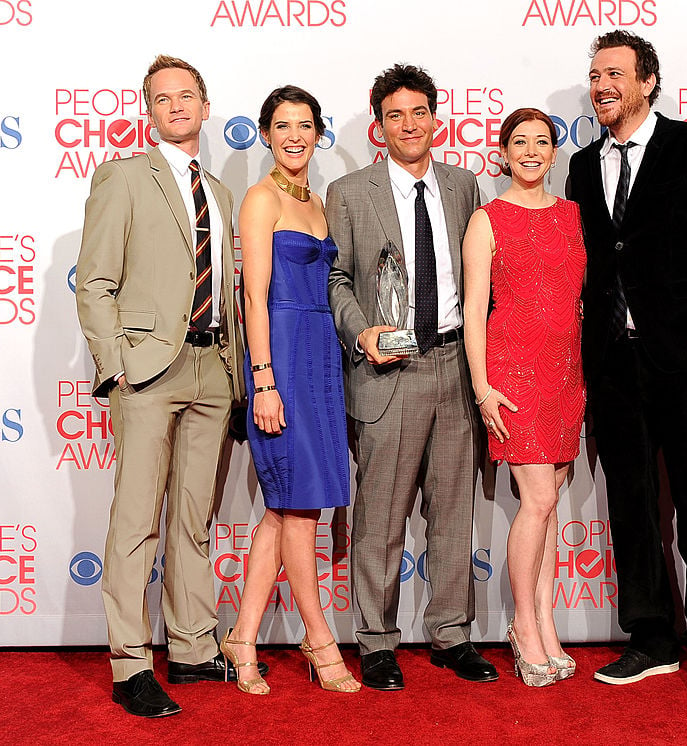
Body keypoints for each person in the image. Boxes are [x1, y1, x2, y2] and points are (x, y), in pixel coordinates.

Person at [567, 31, 687, 703]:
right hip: (616, 365)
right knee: (633, 506)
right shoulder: (584, 166)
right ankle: (650, 637)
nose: (600, 85)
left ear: (647, 81)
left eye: (613, 73)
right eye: (593, 75)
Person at [76, 54, 257, 718]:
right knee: (136, 522)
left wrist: (236, 373)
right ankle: (130, 663)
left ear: (206, 108)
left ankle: (190, 645)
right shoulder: (123, 176)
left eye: (187, 96)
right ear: (148, 111)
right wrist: (115, 361)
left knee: (193, 518)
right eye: (162, 98)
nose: (176, 106)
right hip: (149, 370)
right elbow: (94, 280)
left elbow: (229, 291)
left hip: (213, 369)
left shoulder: (220, 189)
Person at [326, 63, 497, 691]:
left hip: (454, 363)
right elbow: (335, 277)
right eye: (394, 115)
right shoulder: (349, 192)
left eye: (418, 111)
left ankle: (451, 635)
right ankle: (376, 641)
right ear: (379, 127)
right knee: (381, 516)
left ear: (435, 117)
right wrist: (360, 330)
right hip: (386, 370)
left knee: (454, 512)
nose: (408, 124)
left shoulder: (463, 186)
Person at [220, 85, 359, 695]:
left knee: (286, 509)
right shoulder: (260, 198)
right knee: (299, 508)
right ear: (266, 134)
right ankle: (321, 641)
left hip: (322, 356)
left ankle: (242, 639)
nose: (295, 135)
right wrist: (264, 381)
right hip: (279, 358)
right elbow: (253, 295)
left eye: (306, 124)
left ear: (318, 132)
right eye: (283, 125)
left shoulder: (322, 204)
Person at [462, 108, 586, 687]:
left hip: (566, 376)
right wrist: (484, 388)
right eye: (520, 142)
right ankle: (524, 628)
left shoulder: (573, 216)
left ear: (555, 152)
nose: (531, 151)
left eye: (542, 142)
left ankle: (547, 622)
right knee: (536, 500)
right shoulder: (487, 220)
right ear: (504, 152)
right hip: (514, 377)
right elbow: (474, 314)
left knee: (550, 505)